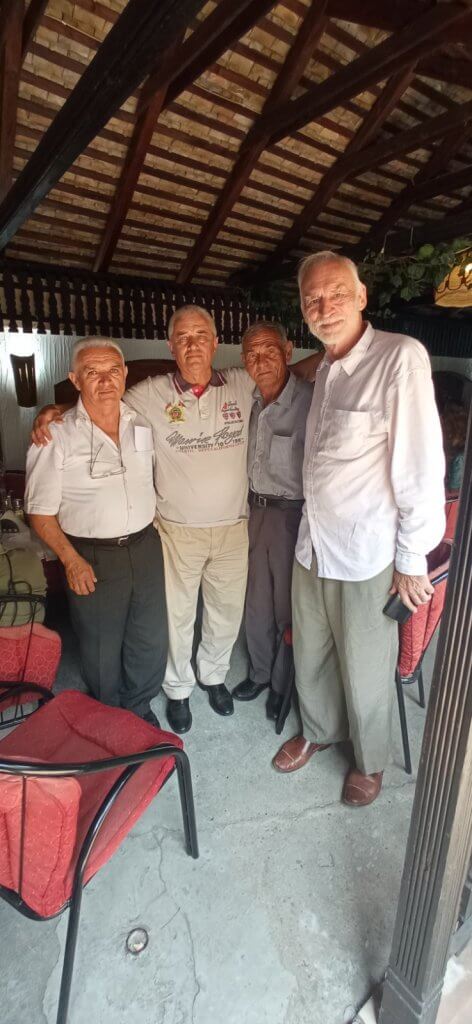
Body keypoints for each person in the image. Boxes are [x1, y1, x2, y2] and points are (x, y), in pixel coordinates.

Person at [31, 308, 319, 736]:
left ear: (216, 342)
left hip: (233, 528)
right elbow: (97, 400)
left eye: (201, 335)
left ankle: (214, 677)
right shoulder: (147, 394)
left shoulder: (242, 383)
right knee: (177, 617)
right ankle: (179, 690)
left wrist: (342, 351)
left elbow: (291, 369)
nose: (192, 345)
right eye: (183, 337)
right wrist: (52, 410)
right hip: (176, 531)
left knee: (225, 613)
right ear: (171, 346)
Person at [273, 251, 446, 807]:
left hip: (367, 552)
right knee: (313, 652)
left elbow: (420, 466)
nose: (324, 308)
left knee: (366, 664)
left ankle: (370, 761)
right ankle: (319, 731)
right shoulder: (325, 368)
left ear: (363, 296)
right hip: (314, 545)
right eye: (312, 300)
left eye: (337, 295)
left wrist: (412, 560)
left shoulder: (400, 358)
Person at [25, 338, 167, 727]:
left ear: (125, 375)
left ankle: (139, 709)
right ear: (75, 379)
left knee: (149, 635)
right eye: (92, 372)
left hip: (145, 546)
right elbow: (39, 512)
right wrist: (70, 560)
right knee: (101, 643)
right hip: (90, 554)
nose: (105, 381)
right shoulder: (54, 435)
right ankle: (108, 714)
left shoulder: (142, 421)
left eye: (112, 371)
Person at [232, 321, 313, 722]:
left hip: (290, 515)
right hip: (252, 511)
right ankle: (260, 673)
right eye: (252, 354)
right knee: (256, 600)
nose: (260, 361)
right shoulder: (244, 398)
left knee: (286, 605)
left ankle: (282, 683)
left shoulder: (310, 401)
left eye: (269, 351)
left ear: (288, 351)